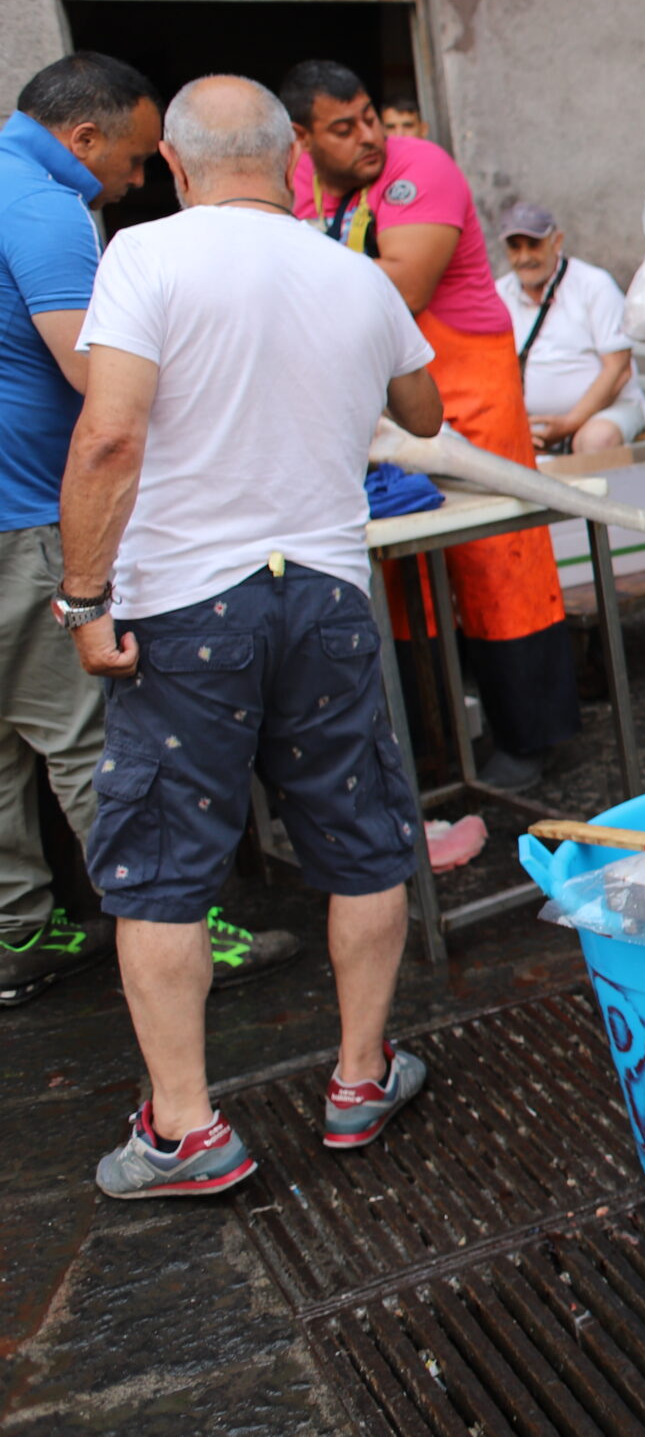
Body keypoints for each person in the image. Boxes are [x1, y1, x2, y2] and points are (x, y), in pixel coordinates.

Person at [58, 76, 444, 1197]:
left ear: (176, 166)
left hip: (186, 601)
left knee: (163, 863)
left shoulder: (145, 256)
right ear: (291, 164)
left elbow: (110, 437)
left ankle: (186, 1131)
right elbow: (422, 415)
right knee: (360, 833)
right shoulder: (355, 271)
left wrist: (85, 599)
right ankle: (361, 1079)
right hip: (322, 593)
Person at [0, 54, 301, 1008]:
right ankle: (172, 926)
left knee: (5, 743)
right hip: (27, 512)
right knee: (89, 739)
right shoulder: (45, 207)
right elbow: (100, 383)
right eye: (130, 163)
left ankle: (20, 927)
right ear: (81, 140)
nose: (136, 183)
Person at [283, 60, 578, 792]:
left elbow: (403, 283)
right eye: (343, 128)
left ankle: (531, 735)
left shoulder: (422, 170)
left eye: (370, 118)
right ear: (301, 137)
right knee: (403, 572)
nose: (368, 138)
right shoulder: (294, 181)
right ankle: (434, 742)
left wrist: (286, 266)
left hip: (464, 377)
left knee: (497, 554)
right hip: (364, 391)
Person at [494, 202, 645, 454]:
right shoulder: (499, 293)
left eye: (533, 245)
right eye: (515, 247)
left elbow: (619, 370)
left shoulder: (593, 285)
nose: (524, 257)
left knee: (595, 440)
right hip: (533, 421)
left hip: (607, 411)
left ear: (556, 242)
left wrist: (570, 423)